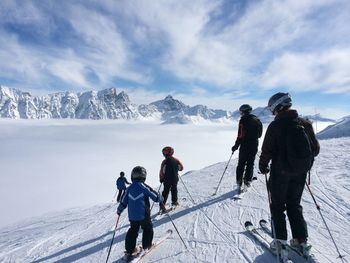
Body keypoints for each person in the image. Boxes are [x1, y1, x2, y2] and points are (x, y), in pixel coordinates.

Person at [259, 93, 320, 259]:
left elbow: (267, 151)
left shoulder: (275, 126)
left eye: (272, 110)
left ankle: (280, 245)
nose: (272, 113)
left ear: (277, 108)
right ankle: (301, 242)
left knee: (278, 207)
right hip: (300, 173)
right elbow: (315, 149)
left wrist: (263, 165)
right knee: (294, 205)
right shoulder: (305, 123)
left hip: (280, 174)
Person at [117, 166, 164, 260]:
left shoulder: (129, 189)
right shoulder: (144, 187)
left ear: (132, 176)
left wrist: (119, 210)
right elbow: (155, 197)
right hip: (144, 215)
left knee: (133, 230)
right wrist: (161, 198)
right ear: (144, 176)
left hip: (132, 216)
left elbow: (123, 202)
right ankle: (147, 246)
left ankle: (130, 250)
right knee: (147, 228)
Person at [231, 104, 263, 191]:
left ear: (244, 111)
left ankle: (239, 182)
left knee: (241, 164)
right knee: (250, 164)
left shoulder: (243, 121)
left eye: (241, 111)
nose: (240, 113)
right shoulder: (257, 120)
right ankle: (247, 182)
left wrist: (236, 146)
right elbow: (260, 135)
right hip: (254, 144)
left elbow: (240, 135)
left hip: (244, 145)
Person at [159, 146, 184, 212]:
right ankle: (174, 202)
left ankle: (162, 205)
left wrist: (161, 178)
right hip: (175, 178)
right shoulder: (176, 160)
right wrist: (176, 169)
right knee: (174, 189)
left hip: (166, 179)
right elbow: (181, 168)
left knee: (165, 191)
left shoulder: (164, 161)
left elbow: (162, 171)